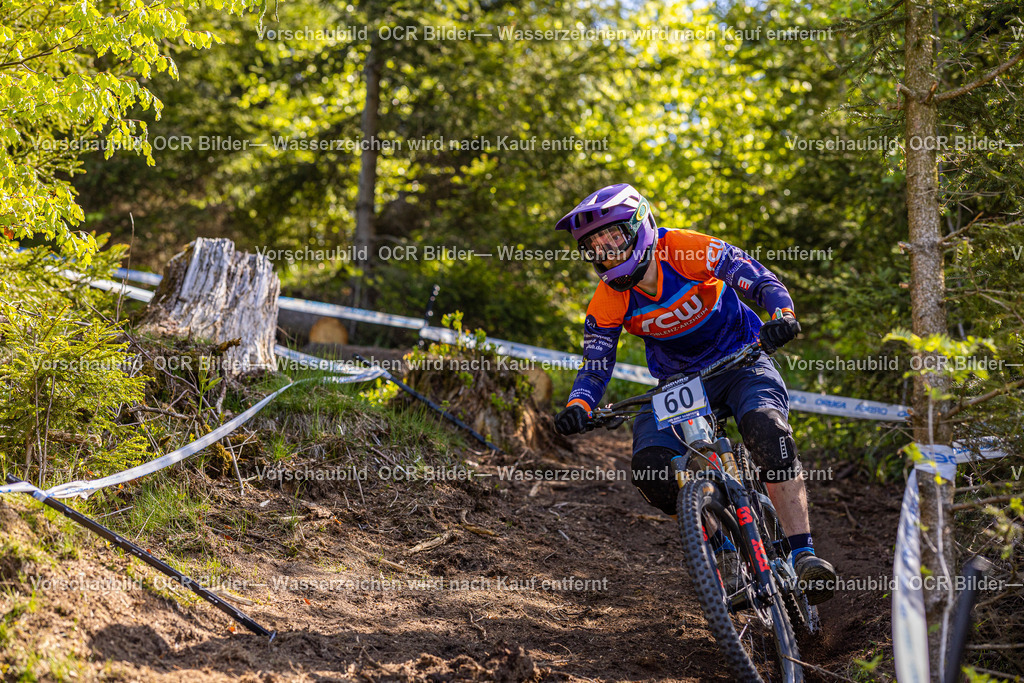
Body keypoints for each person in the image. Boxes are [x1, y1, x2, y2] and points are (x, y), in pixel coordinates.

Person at [552, 183, 836, 605]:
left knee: (766, 430)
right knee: (651, 469)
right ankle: (725, 554)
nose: (606, 251)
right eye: (595, 247)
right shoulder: (609, 297)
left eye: (613, 238)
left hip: (741, 360)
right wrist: (580, 405)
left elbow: (757, 279)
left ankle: (803, 554)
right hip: (678, 384)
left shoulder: (685, 249)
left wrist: (781, 314)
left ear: (640, 227)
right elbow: (597, 364)